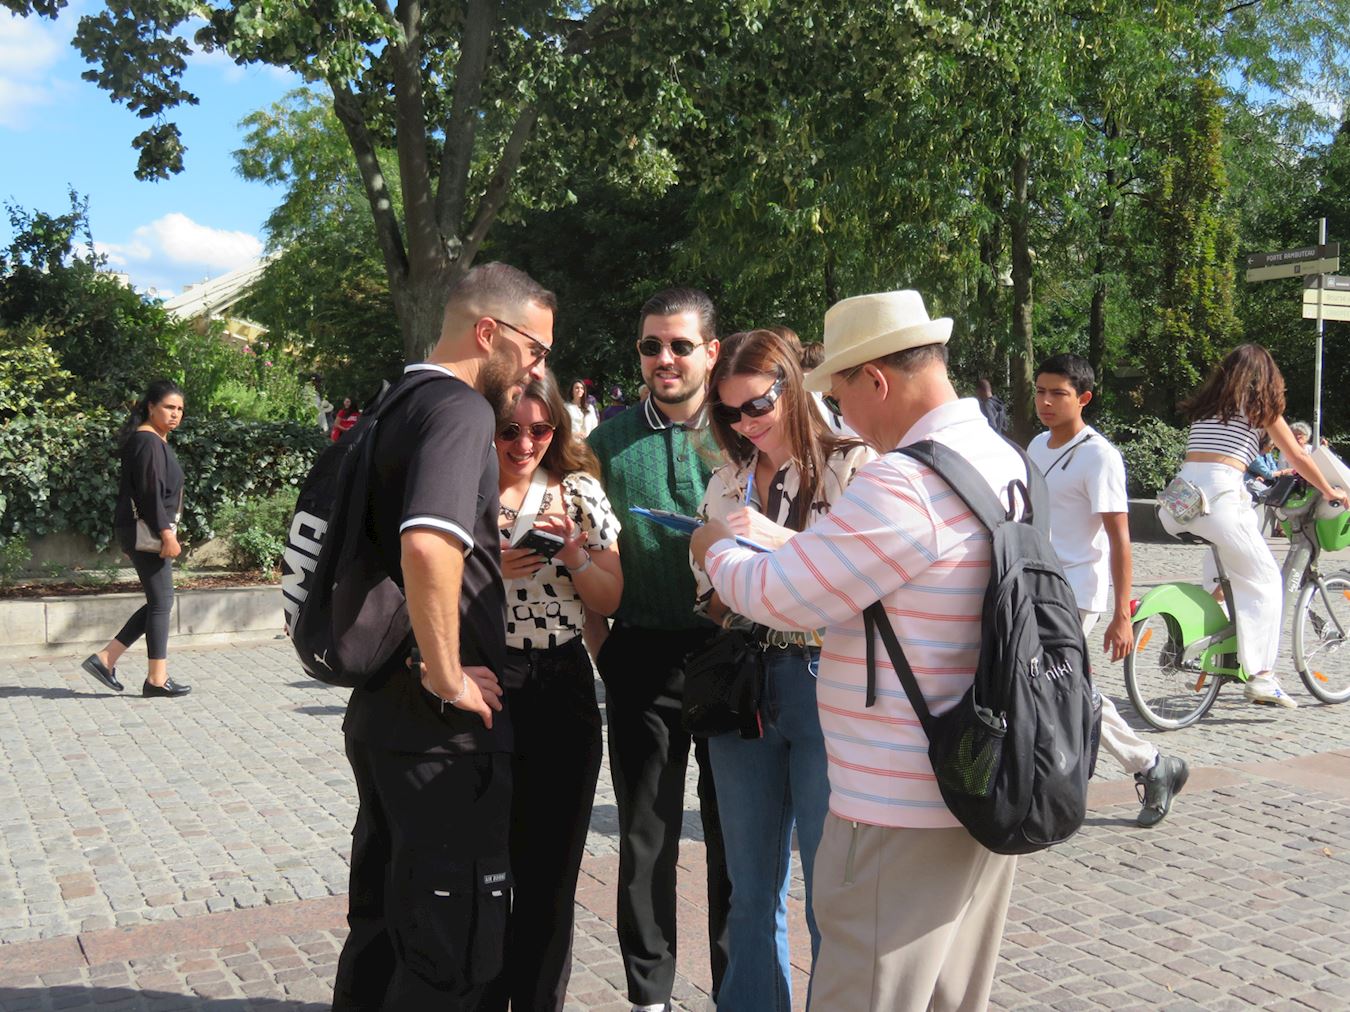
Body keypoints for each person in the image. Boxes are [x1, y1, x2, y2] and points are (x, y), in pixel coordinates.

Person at [692, 290, 1022, 1012]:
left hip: (896, 794)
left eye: (838, 391)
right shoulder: (999, 459)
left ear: (875, 379)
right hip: (974, 774)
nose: (838, 412)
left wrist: (713, 547)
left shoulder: (903, 478)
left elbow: (786, 594)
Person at [332, 262, 555, 1011]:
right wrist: (447, 672)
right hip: (441, 733)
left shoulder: (393, 402)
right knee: (448, 951)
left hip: (381, 715)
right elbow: (428, 545)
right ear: (488, 332)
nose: (535, 369)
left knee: (381, 930)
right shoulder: (459, 410)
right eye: (534, 349)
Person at [692, 329, 871, 1011]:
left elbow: (863, 584)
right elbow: (710, 599)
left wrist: (779, 546)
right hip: (746, 681)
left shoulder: (854, 466)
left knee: (832, 892)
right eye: (730, 412)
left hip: (828, 678)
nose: (746, 423)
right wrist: (711, 556)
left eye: (758, 406)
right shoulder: (728, 479)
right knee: (749, 888)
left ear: (792, 387)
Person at [587, 287, 731, 1012]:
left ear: (712, 351)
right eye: (651, 346)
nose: (664, 359)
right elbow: (585, 548)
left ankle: (739, 991)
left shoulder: (744, 431)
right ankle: (649, 996)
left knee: (735, 836)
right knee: (647, 837)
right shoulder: (605, 443)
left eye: (679, 345)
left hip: (732, 656)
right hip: (640, 655)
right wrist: (603, 651)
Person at [482, 372, 624, 1012]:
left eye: (540, 430)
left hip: (561, 682)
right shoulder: (464, 489)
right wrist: (485, 566)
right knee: (486, 866)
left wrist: (572, 554)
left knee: (551, 871)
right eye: (509, 430)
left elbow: (610, 598)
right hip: (486, 680)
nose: (524, 443)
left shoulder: (577, 490)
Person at [1027, 354, 1188, 828]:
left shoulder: (1099, 456)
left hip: (1076, 592)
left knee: (1056, 685)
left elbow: (1120, 539)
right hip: (1035, 583)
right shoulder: (1036, 445)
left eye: (1058, 393)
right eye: (1040, 391)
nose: (1046, 401)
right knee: (1059, 686)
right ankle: (1153, 765)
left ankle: (1146, 765)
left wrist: (1122, 614)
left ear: (1084, 398)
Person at [1160, 344, 1346, 710]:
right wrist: (1329, 489)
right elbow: (1297, 455)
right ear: (1266, 378)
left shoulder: (1206, 410)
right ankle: (1262, 675)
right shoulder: (1260, 408)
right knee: (1265, 582)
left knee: (1224, 578)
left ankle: (1200, 635)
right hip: (1220, 503)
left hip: (1178, 504)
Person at [81, 379, 192, 699]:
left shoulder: (153, 441)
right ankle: (155, 679)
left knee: (160, 601)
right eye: (169, 407)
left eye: (180, 409)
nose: (175, 414)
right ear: (151, 407)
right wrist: (166, 534)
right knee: (162, 602)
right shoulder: (147, 441)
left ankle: (107, 660)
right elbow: (149, 494)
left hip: (141, 529)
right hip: (150, 530)